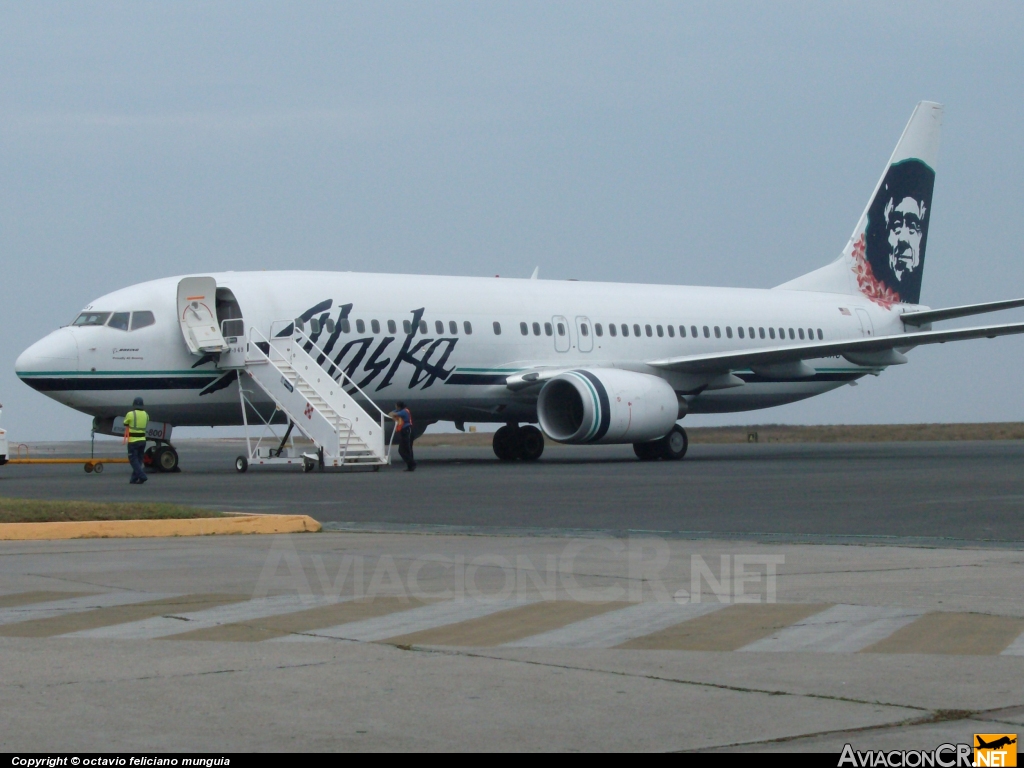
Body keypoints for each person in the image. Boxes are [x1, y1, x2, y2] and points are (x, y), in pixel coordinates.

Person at [124, 396, 149, 485]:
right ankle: (134, 478)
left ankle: (142, 476)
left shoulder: (130, 414)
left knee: (133, 460)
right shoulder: (146, 414)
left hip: (133, 441)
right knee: (139, 460)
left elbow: (125, 423)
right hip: (143, 440)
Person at [389, 401, 416, 471]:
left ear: (398, 406)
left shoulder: (404, 411)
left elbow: (393, 414)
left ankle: (412, 463)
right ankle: (410, 465)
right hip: (404, 431)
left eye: (396, 406)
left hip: (407, 430)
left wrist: (393, 415)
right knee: (406, 449)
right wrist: (393, 415)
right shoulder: (400, 410)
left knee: (404, 449)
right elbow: (390, 414)